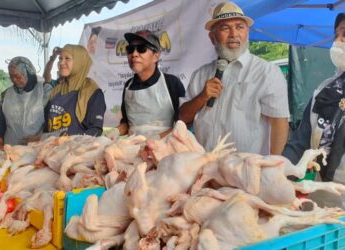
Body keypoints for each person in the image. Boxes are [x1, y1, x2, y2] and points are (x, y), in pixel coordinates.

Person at [179, 2, 289, 154]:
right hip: (204, 168)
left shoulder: (267, 72)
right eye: (225, 28)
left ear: (247, 32)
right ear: (212, 37)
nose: (234, 34)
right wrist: (202, 97)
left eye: (239, 27)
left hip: (244, 171)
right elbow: (183, 118)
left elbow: (279, 123)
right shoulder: (200, 75)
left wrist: (275, 167)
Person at [282, 13, 345, 208]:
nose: (338, 42)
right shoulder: (324, 91)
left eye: (344, 35)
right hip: (326, 194)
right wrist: (279, 170)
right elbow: (300, 141)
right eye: (337, 35)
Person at [117, 30, 185, 138]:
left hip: (165, 149)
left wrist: (155, 139)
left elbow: (183, 124)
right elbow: (126, 124)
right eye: (130, 49)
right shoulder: (128, 86)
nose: (134, 54)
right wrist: (114, 133)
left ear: (156, 56)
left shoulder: (171, 83)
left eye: (141, 49)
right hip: (134, 150)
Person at [44, 44, 106, 136]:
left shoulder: (91, 91)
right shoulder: (55, 91)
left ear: (79, 62)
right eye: (60, 59)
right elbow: (46, 127)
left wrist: (70, 144)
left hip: (78, 149)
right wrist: (39, 138)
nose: (61, 63)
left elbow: (95, 130)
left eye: (67, 58)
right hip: (52, 149)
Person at [0, 56, 54, 148]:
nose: (14, 80)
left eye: (18, 76)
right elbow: (0, 122)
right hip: (10, 149)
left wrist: (40, 138)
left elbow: (51, 121)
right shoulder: (6, 94)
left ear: (29, 73)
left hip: (36, 148)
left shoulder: (44, 91)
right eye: (11, 76)